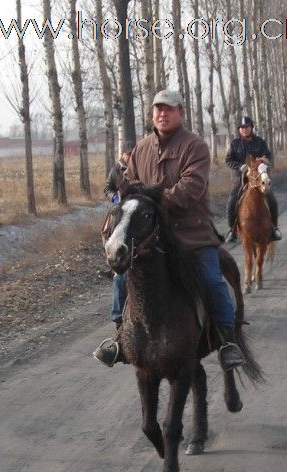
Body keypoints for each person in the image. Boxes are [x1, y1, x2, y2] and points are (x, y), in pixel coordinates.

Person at [93, 89, 245, 372]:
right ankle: (119, 338)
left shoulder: (196, 146)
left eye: (169, 109)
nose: (162, 114)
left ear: (181, 113)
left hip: (191, 232)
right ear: (152, 114)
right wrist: (128, 198)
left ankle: (227, 339)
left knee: (212, 279)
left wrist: (152, 202)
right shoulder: (142, 148)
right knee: (121, 278)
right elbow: (130, 187)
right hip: (151, 235)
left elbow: (190, 189)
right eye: (157, 110)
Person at [224, 116, 281, 243]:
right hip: (242, 178)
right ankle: (231, 230)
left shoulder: (260, 142)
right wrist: (240, 167)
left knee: (272, 200)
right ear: (239, 130)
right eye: (242, 128)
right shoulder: (235, 144)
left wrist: (262, 163)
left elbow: (268, 156)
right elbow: (228, 160)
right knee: (231, 201)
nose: (244, 130)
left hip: (259, 177)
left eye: (247, 127)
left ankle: (274, 229)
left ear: (251, 128)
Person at [103, 149, 132, 327]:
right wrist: (114, 197)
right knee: (109, 229)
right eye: (126, 154)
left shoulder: (140, 165)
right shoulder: (115, 170)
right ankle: (112, 262)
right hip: (120, 207)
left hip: (136, 205)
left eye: (131, 154)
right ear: (122, 155)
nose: (128, 157)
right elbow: (107, 187)